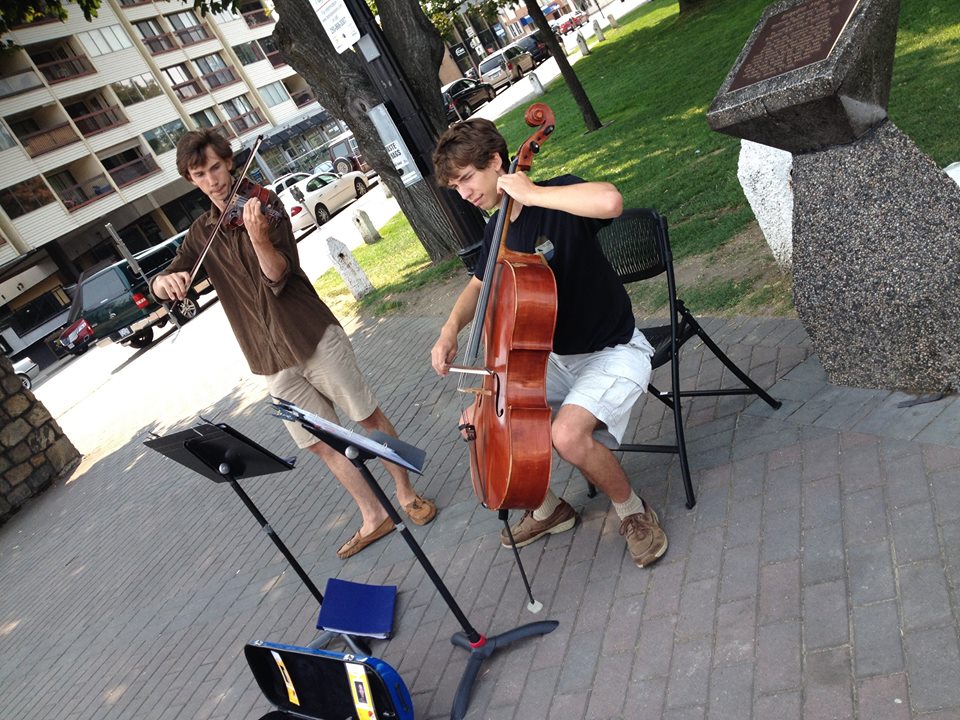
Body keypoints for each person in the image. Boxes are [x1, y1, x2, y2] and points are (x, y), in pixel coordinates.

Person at [153, 130, 436, 559]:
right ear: (190, 180)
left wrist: (259, 239)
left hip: (310, 334)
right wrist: (164, 283)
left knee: (367, 417)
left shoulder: (265, 206)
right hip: (268, 356)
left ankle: (406, 493)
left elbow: (278, 275)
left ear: (228, 162)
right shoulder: (200, 233)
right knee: (318, 442)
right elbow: (167, 277)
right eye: (200, 174)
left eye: (215, 167)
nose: (212, 180)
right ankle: (373, 514)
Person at [429, 119, 667, 568]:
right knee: (479, 421)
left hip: (613, 350)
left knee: (566, 436)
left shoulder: (556, 195)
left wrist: (534, 193)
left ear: (495, 162)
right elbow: (479, 285)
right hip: (553, 359)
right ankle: (548, 508)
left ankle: (632, 511)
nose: (464, 193)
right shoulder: (497, 230)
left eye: (467, 179)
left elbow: (611, 201)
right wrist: (449, 329)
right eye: (455, 186)